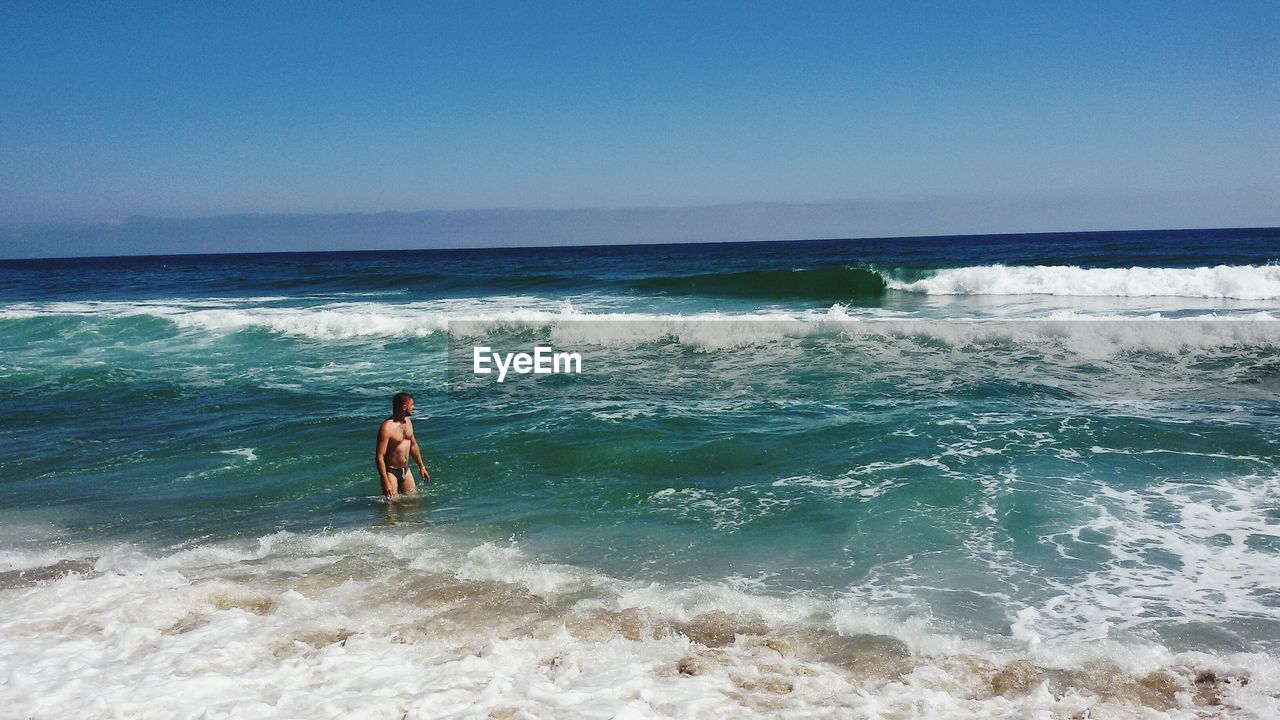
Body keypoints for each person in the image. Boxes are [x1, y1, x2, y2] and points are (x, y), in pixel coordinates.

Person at [375, 392, 430, 499]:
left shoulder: (408, 422)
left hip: (405, 469)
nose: (413, 407)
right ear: (404, 407)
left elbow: (413, 445)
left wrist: (421, 467)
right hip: (390, 472)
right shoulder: (387, 428)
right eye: (412, 404)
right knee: (392, 505)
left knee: (413, 500)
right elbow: (379, 456)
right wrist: (385, 480)